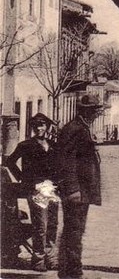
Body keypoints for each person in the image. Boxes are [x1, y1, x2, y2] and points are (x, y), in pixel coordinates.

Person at [57, 94, 103, 279]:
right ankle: (72, 272)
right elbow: (66, 161)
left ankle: (69, 270)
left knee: (75, 231)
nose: (96, 114)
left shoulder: (81, 127)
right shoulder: (74, 129)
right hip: (76, 191)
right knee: (74, 232)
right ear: (85, 111)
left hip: (82, 190)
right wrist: (72, 189)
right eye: (94, 110)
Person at [6, 113, 60, 271]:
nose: (39, 128)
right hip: (36, 189)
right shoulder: (25, 145)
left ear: (47, 127)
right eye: (35, 126)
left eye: (42, 125)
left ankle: (50, 259)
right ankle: (38, 260)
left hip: (51, 188)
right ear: (32, 128)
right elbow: (10, 162)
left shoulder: (53, 145)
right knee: (40, 225)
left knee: (52, 224)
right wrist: (24, 179)